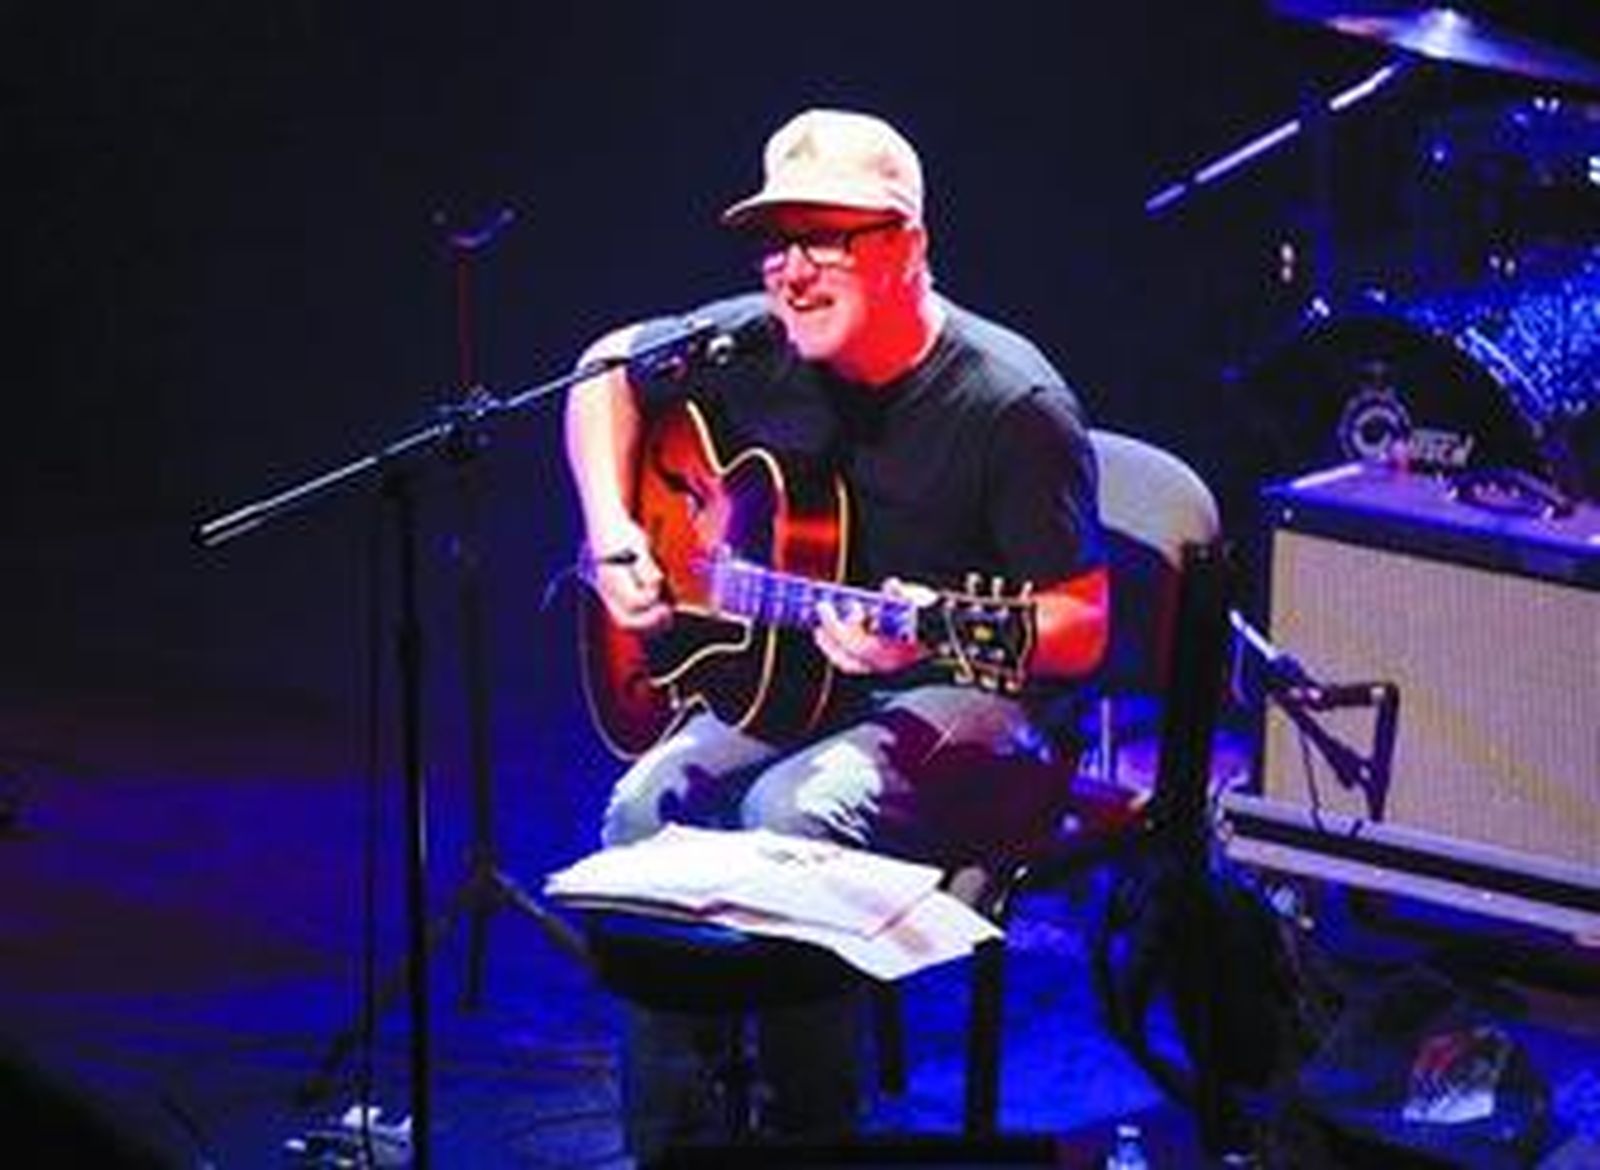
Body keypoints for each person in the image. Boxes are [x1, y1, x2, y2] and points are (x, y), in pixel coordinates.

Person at [563, 107, 1109, 1158]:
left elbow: (1080, 628)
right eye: (777, 242)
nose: (792, 271)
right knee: (646, 804)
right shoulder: (758, 342)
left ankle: (812, 1137)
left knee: (790, 808)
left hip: (984, 705)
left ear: (907, 244)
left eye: (827, 239)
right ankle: (670, 1146)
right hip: (805, 679)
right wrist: (617, 529)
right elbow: (602, 371)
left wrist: (930, 634)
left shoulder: (1012, 404)